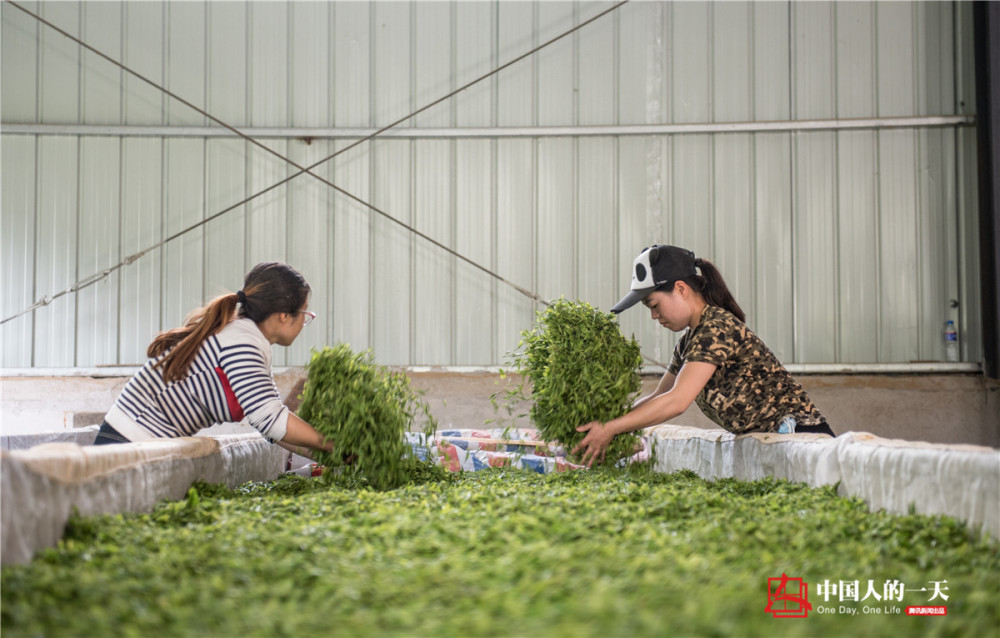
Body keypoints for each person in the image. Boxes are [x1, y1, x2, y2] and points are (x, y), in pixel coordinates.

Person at [573, 244, 835, 467]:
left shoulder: (716, 327)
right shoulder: (690, 340)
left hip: (803, 441)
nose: (654, 315)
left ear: (681, 289)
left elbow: (676, 402)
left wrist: (612, 429)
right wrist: (608, 425)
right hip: (774, 445)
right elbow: (659, 397)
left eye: (654, 305)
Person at [94, 262, 335, 459]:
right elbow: (273, 420)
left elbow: (269, 424)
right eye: (305, 314)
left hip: (136, 443)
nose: (305, 322)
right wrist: (333, 444)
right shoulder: (243, 341)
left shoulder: (245, 336)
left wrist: (330, 456)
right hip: (128, 444)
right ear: (284, 315)